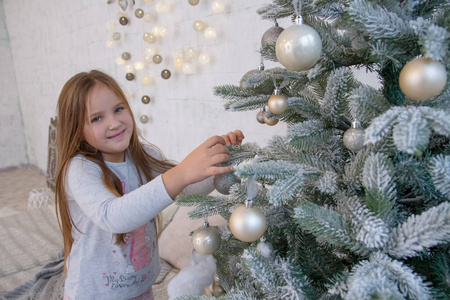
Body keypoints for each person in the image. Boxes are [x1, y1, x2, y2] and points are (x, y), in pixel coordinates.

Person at [55, 70, 244, 300]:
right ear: (76, 128)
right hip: (94, 292)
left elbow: (183, 190)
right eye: (97, 118)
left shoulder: (143, 155)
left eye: (118, 109)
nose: (114, 123)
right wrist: (183, 171)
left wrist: (215, 166)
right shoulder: (80, 169)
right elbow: (114, 217)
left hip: (142, 286)